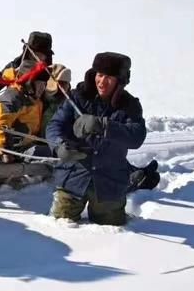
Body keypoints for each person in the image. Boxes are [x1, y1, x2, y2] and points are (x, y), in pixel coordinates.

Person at [46, 52, 146, 225]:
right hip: (72, 178)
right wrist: (59, 146)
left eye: (109, 77)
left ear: (119, 81)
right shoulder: (77, 97)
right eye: (99, 75)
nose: (102, 81)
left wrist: (103, 125)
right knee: (59, 226)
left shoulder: (130, 105)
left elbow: (136, 136)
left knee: (111, 234)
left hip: (109, 184)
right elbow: (55, 125)